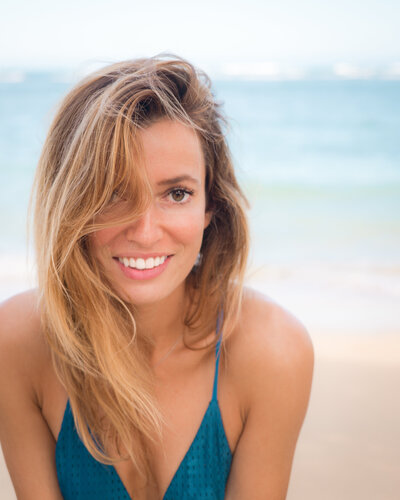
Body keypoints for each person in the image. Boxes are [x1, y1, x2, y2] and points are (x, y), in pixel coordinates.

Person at [0, 55, 314, 500]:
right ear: (71, 207)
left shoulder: (272, 351)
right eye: (113, 193)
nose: (145, 231)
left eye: (177, 193)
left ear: (211, 207)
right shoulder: (18, 342)